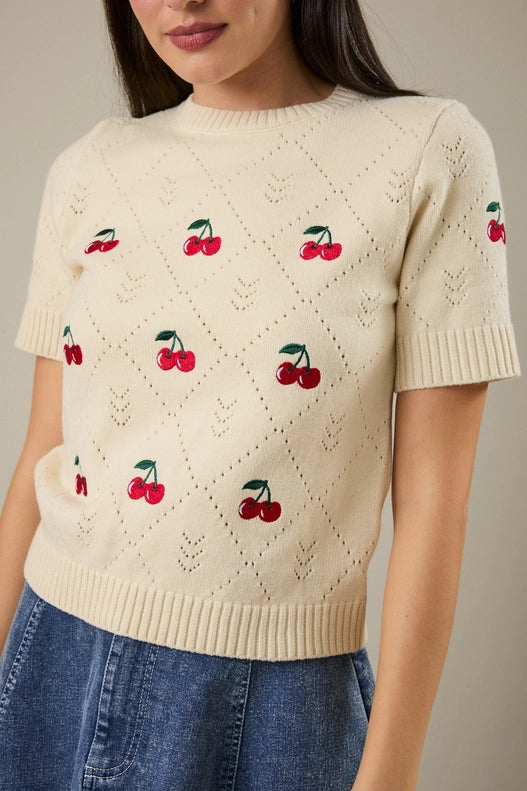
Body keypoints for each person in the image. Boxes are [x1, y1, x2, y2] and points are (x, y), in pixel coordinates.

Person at [0, 1, 520, 789]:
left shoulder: (428, 152)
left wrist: (390, 775)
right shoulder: (89, 167)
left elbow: (431, 505)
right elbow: (42, 452)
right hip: (51, 663)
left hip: (277, 703)